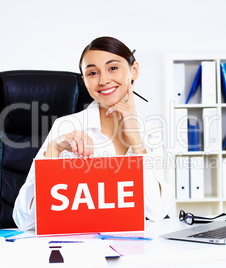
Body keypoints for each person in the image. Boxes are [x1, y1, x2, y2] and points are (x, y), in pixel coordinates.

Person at [13, 36, 172, 230]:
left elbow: (156, 212)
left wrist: (137, 143)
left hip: (131, 247)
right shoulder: (66, 127)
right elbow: (24, 220)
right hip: (79, 247)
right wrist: (54, 150)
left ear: (134, 70)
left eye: (113, 68)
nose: (104, 80)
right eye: (92, 73)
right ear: (85, 81)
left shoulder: (150, 131)